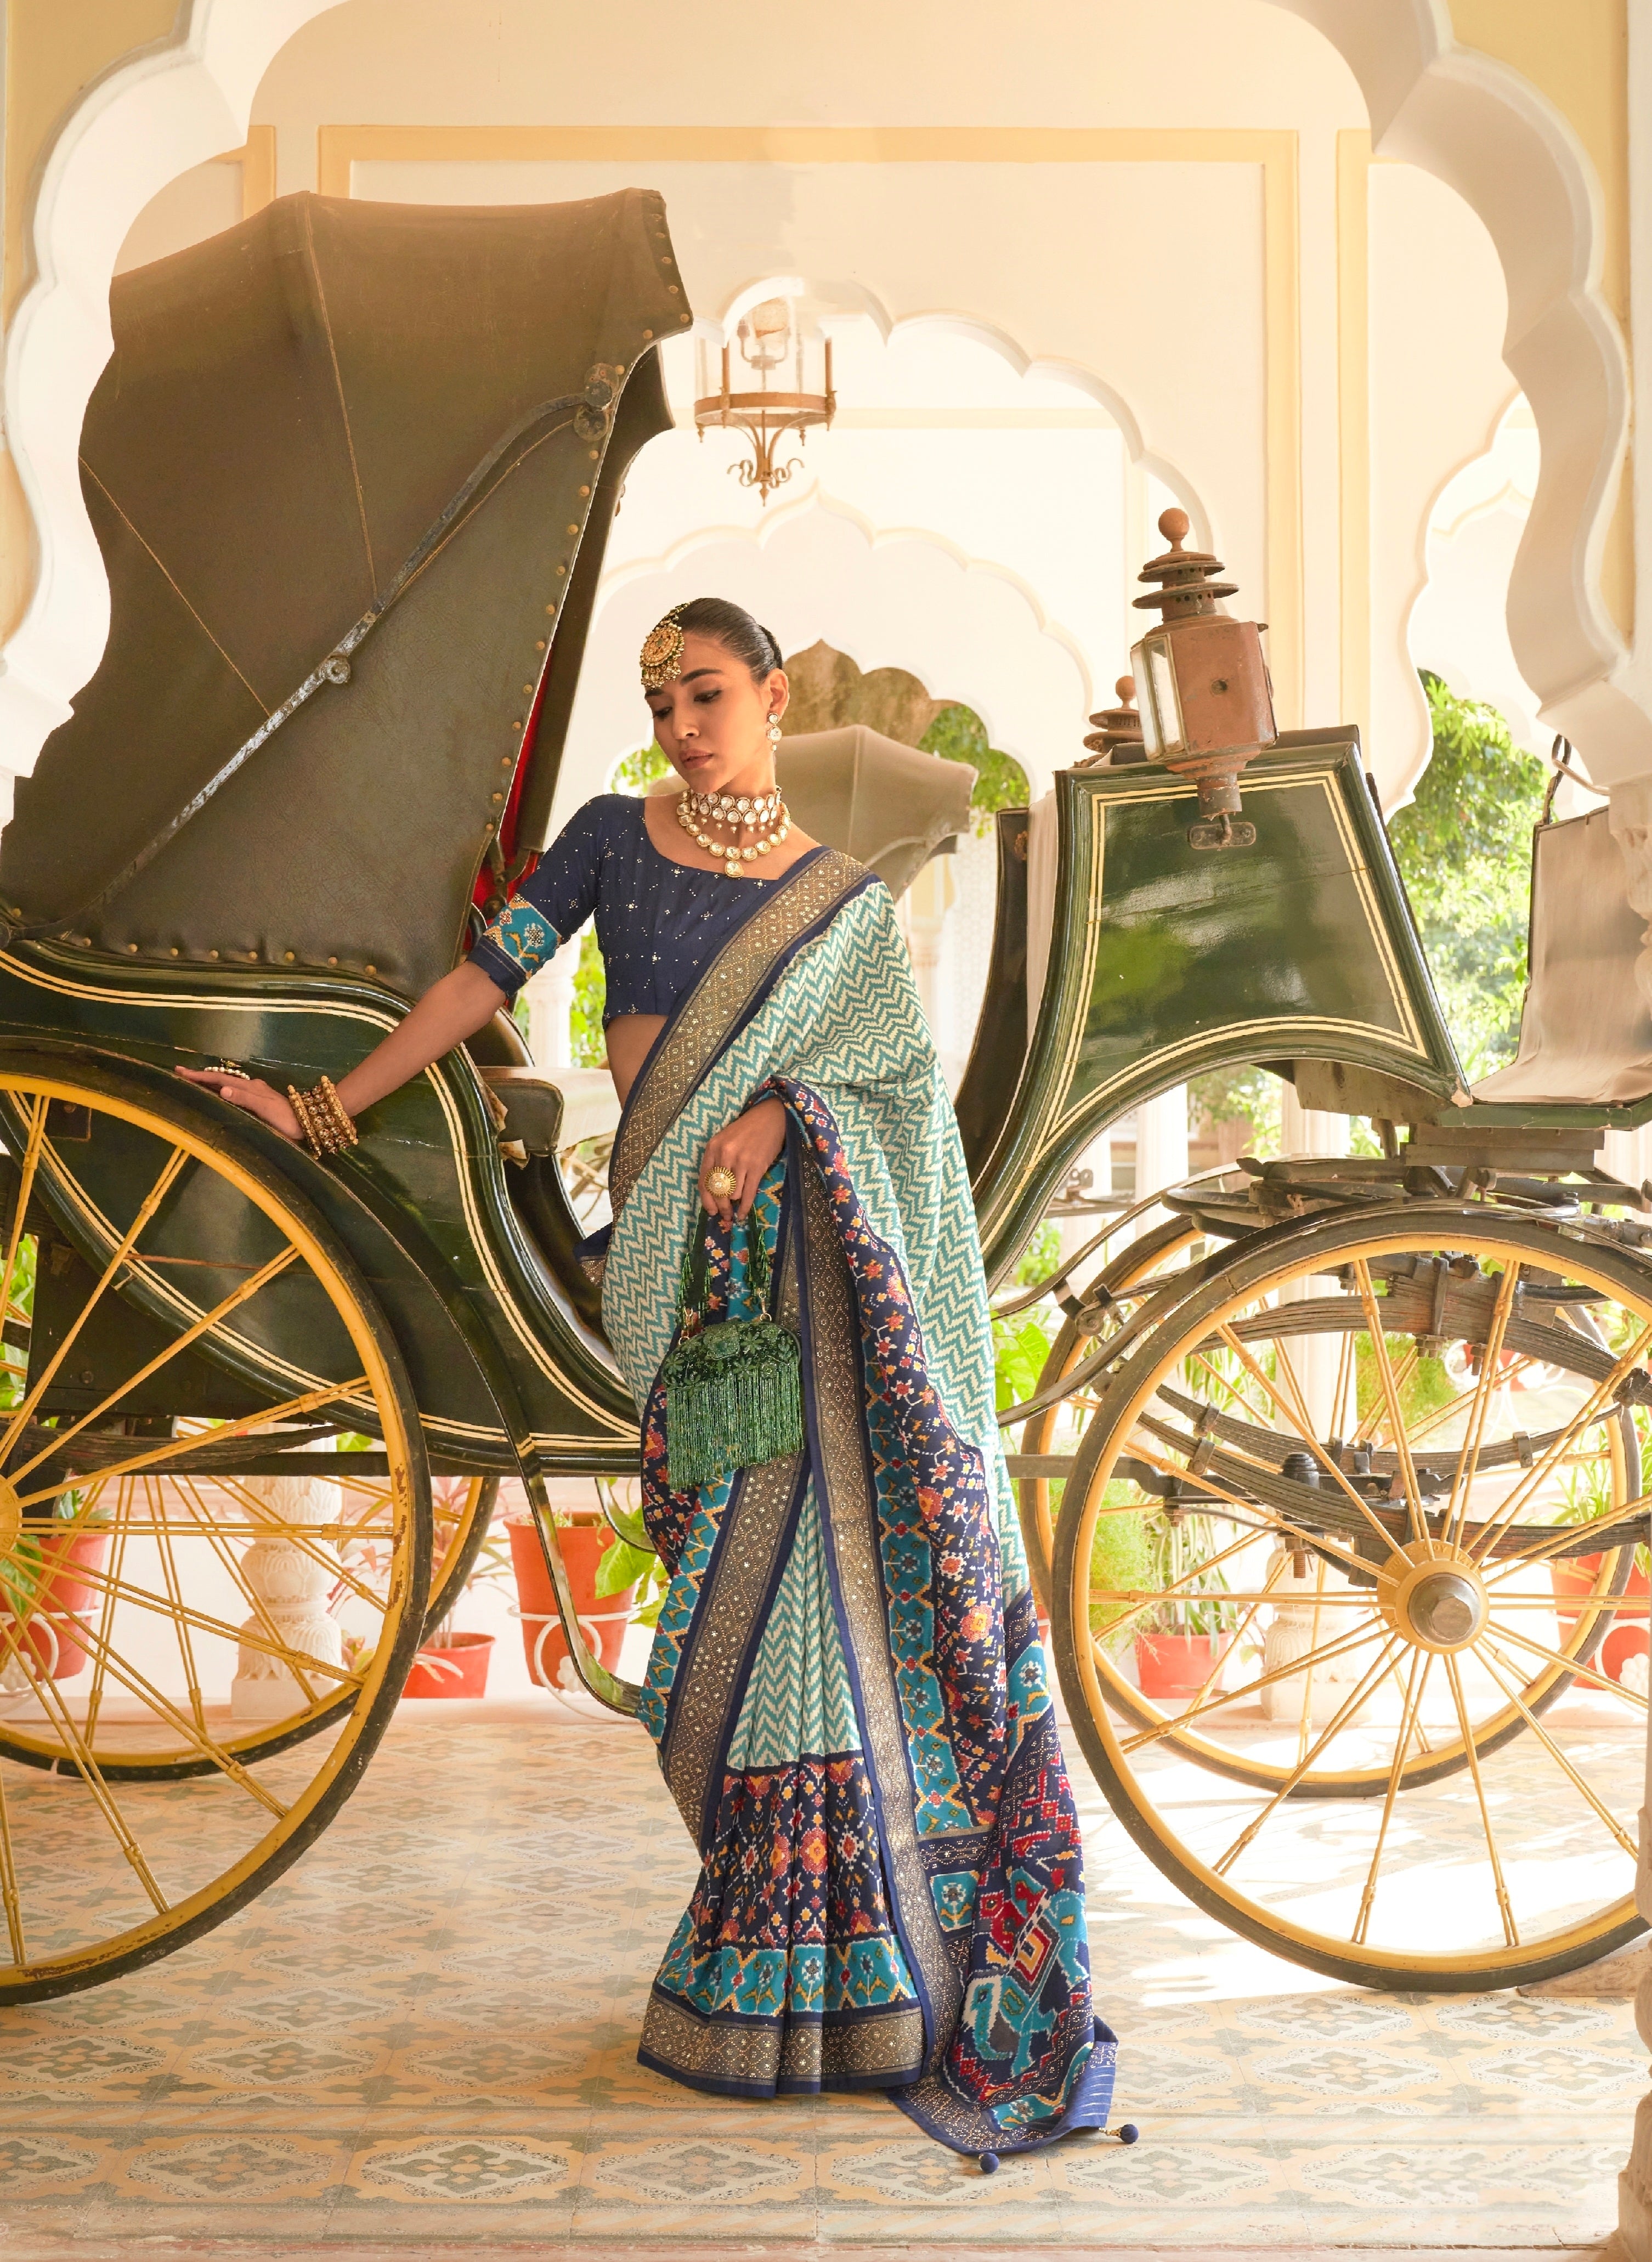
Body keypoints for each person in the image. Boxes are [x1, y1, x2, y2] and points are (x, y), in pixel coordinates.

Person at [178, 595, 1118, 2158]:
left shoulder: (838, 906)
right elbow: (479, 987)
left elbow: (894, 1091)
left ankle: (875, 1980)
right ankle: (776, 1954)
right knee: (757, 1600)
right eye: (661, 702)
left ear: (773, 695)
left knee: (827, 1591)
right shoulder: (612, 839)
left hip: (810, 1262)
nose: (680, 726)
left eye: (705, 694)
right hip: (675, 1258)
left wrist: (785, 1111)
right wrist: (321, 1111)